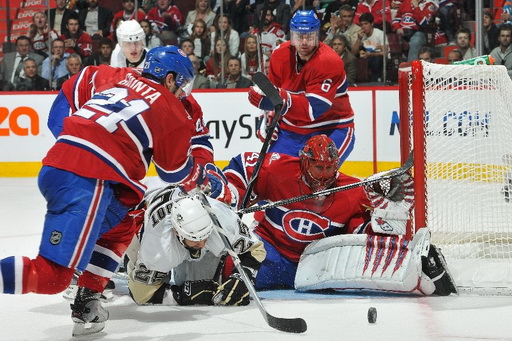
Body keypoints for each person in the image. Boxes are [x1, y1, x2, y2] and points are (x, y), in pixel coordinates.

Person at [0, 46, 209, 336]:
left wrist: (74, 142)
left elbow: (68, 92)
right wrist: (199, 175)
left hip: (60, 164)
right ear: (170, 78)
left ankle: (88, 301)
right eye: (183, 84)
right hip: (88, 178)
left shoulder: (113, 75)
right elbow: (172, 172)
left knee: (124, 224)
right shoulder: (172, 108)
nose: (185, 92)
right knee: (53, 277)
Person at [223, 134, 457, 296]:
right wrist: (233, 192)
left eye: (329, 168)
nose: (325, 176)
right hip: (271, 251)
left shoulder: (352, 190)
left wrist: (385, 219)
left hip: (314, 262)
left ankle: (422, 267)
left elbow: (361, 233)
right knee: (226, 273)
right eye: (319, 168)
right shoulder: (278, 169)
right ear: (305, 162)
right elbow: (243, 165)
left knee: (367, 276)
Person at [248, 10, 355, 165]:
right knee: (270, 176)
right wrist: (266, 119)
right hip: (291, 132)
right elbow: (272, 93)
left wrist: (277, 100)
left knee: (318, 178)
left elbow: (313, 109)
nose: (304, 42)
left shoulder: (329, 61)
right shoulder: (279, 55)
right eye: (299, 36)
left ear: (317, 36)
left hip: (330, 128)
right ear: (292, 35)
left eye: (309, 36)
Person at [127, 188, 265, 306]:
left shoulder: (221, 219)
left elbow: (256, 249)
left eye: (205, 236)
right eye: (195, 239)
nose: (203, 243)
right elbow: (141, 295)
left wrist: (242, 277)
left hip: (189, 206)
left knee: (209, 290)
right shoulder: (158, 247)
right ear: (177, 232)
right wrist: (181, 296)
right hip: (145, 215)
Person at [352, 13, 386, 82]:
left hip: (381, 59)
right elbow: (353, 53)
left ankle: (377, 81)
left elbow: (385, 53)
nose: (363, 27)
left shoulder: (380, 34)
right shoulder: (361, 36)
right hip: (369, 59)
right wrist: (358, 39)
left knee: (376, 60)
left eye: (366, 24)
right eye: (361, 24)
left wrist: (370, 54)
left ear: (372, 24)